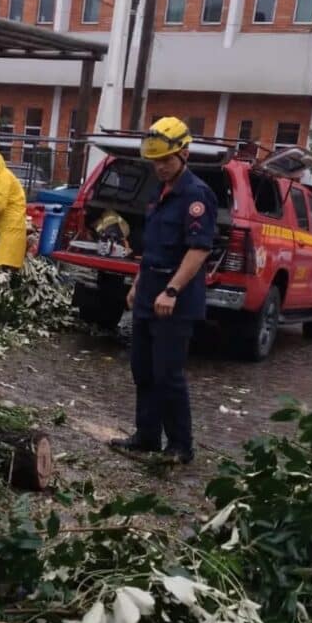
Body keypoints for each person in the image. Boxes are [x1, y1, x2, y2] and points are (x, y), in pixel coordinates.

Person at [109, 117, 217, 465]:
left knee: (168, 374)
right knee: (142, 369)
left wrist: (171, 290)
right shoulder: (160, 193)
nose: (159, 166)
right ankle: (147, 436)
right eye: (155, 161)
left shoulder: (196, 195)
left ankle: (180, 446)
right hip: (147, 293)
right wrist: (138, 283)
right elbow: (153, 246)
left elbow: (198, 249)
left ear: (184, 154)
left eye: (166, 160)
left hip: (175, 300)